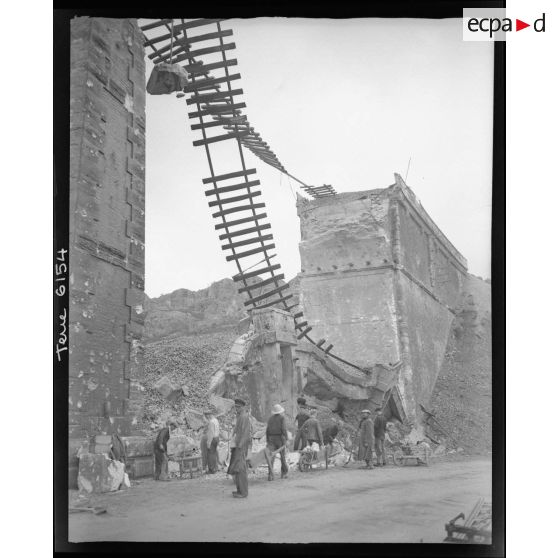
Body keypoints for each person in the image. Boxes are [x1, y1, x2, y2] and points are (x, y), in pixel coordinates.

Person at [227, 398, 251, 498]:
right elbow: (237, 431)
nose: (237, 409)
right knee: (237, 469)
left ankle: (243, 492)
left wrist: (240, 445)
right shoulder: (240, 416)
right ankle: (239, 490)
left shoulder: (244, 417)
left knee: (240, 469)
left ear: (243, 407)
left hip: (241, 446)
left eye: (239, 407)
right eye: (236, 407)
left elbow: (246, 433)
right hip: (237, 446)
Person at [265, 404, 289, 481]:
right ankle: (284, 473)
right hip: (280, 438)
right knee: (282, 456)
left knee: (270, 457)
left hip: (271, 438)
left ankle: (270, 475)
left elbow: (267, 430)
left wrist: (267, 440)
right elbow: (284, 429)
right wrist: (286, 438)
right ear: (280, 411)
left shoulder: (270, 419)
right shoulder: (282, 418)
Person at [201, 407, 220, 474]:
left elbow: (211, 433)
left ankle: (211, 470)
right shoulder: (216, 420)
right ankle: (216, 468)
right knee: (214, 454)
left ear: (209, 415)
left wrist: (209, 442)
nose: (207, 417)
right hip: (217, 438)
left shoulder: (211, 422)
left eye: (207, 416)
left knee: (210, 455)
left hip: (212, 438)